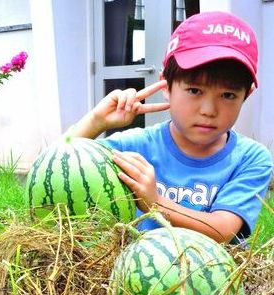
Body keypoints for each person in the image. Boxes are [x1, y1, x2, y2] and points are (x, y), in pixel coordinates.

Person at [68, 11, 273, 243]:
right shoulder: (135, 145)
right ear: (165, 85)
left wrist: (155, 202)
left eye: (227, 95)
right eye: (195, 90)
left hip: (210, 275)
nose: (208, 110)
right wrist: (96, 122)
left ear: (247, 94)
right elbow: (55, 171)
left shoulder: (251, 158)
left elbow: (223, 230)